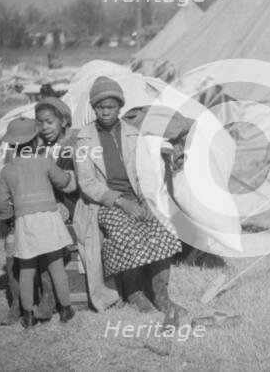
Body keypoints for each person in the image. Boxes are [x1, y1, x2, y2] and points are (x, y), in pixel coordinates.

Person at [73, 76, 186, 325]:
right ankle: (134, 292)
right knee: (124, 230)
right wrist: (121, 202)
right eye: (101, 107)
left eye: (111, 107)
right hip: (103, 202)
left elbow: (145, 171)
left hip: (136, 197)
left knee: (161, 229)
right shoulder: (84, 138)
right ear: (94, 108)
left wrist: (146, 200)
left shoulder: (133, 134)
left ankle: (161, 293)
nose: (105, 111)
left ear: (119, 107)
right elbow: (88, 183)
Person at [0, 117, 75, 328]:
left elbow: (2, 202)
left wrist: (7, 216)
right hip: (48, 218)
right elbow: (62, 180)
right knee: (56, 266)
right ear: (36, 141)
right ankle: (66, 309)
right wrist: (68, 177)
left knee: (26, 270)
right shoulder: (45, 161)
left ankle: (28, 314)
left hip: (25, 222)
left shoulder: (8, 170)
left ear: (11, 145)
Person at [29, 97, 79, 321]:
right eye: (40, 123)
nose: (44, 128)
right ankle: (47, 295)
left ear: (64, 121)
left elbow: (77, 182)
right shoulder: (38, 148)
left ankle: (50, 297)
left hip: (73, 202)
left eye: (49, 122)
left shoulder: (72, 145)